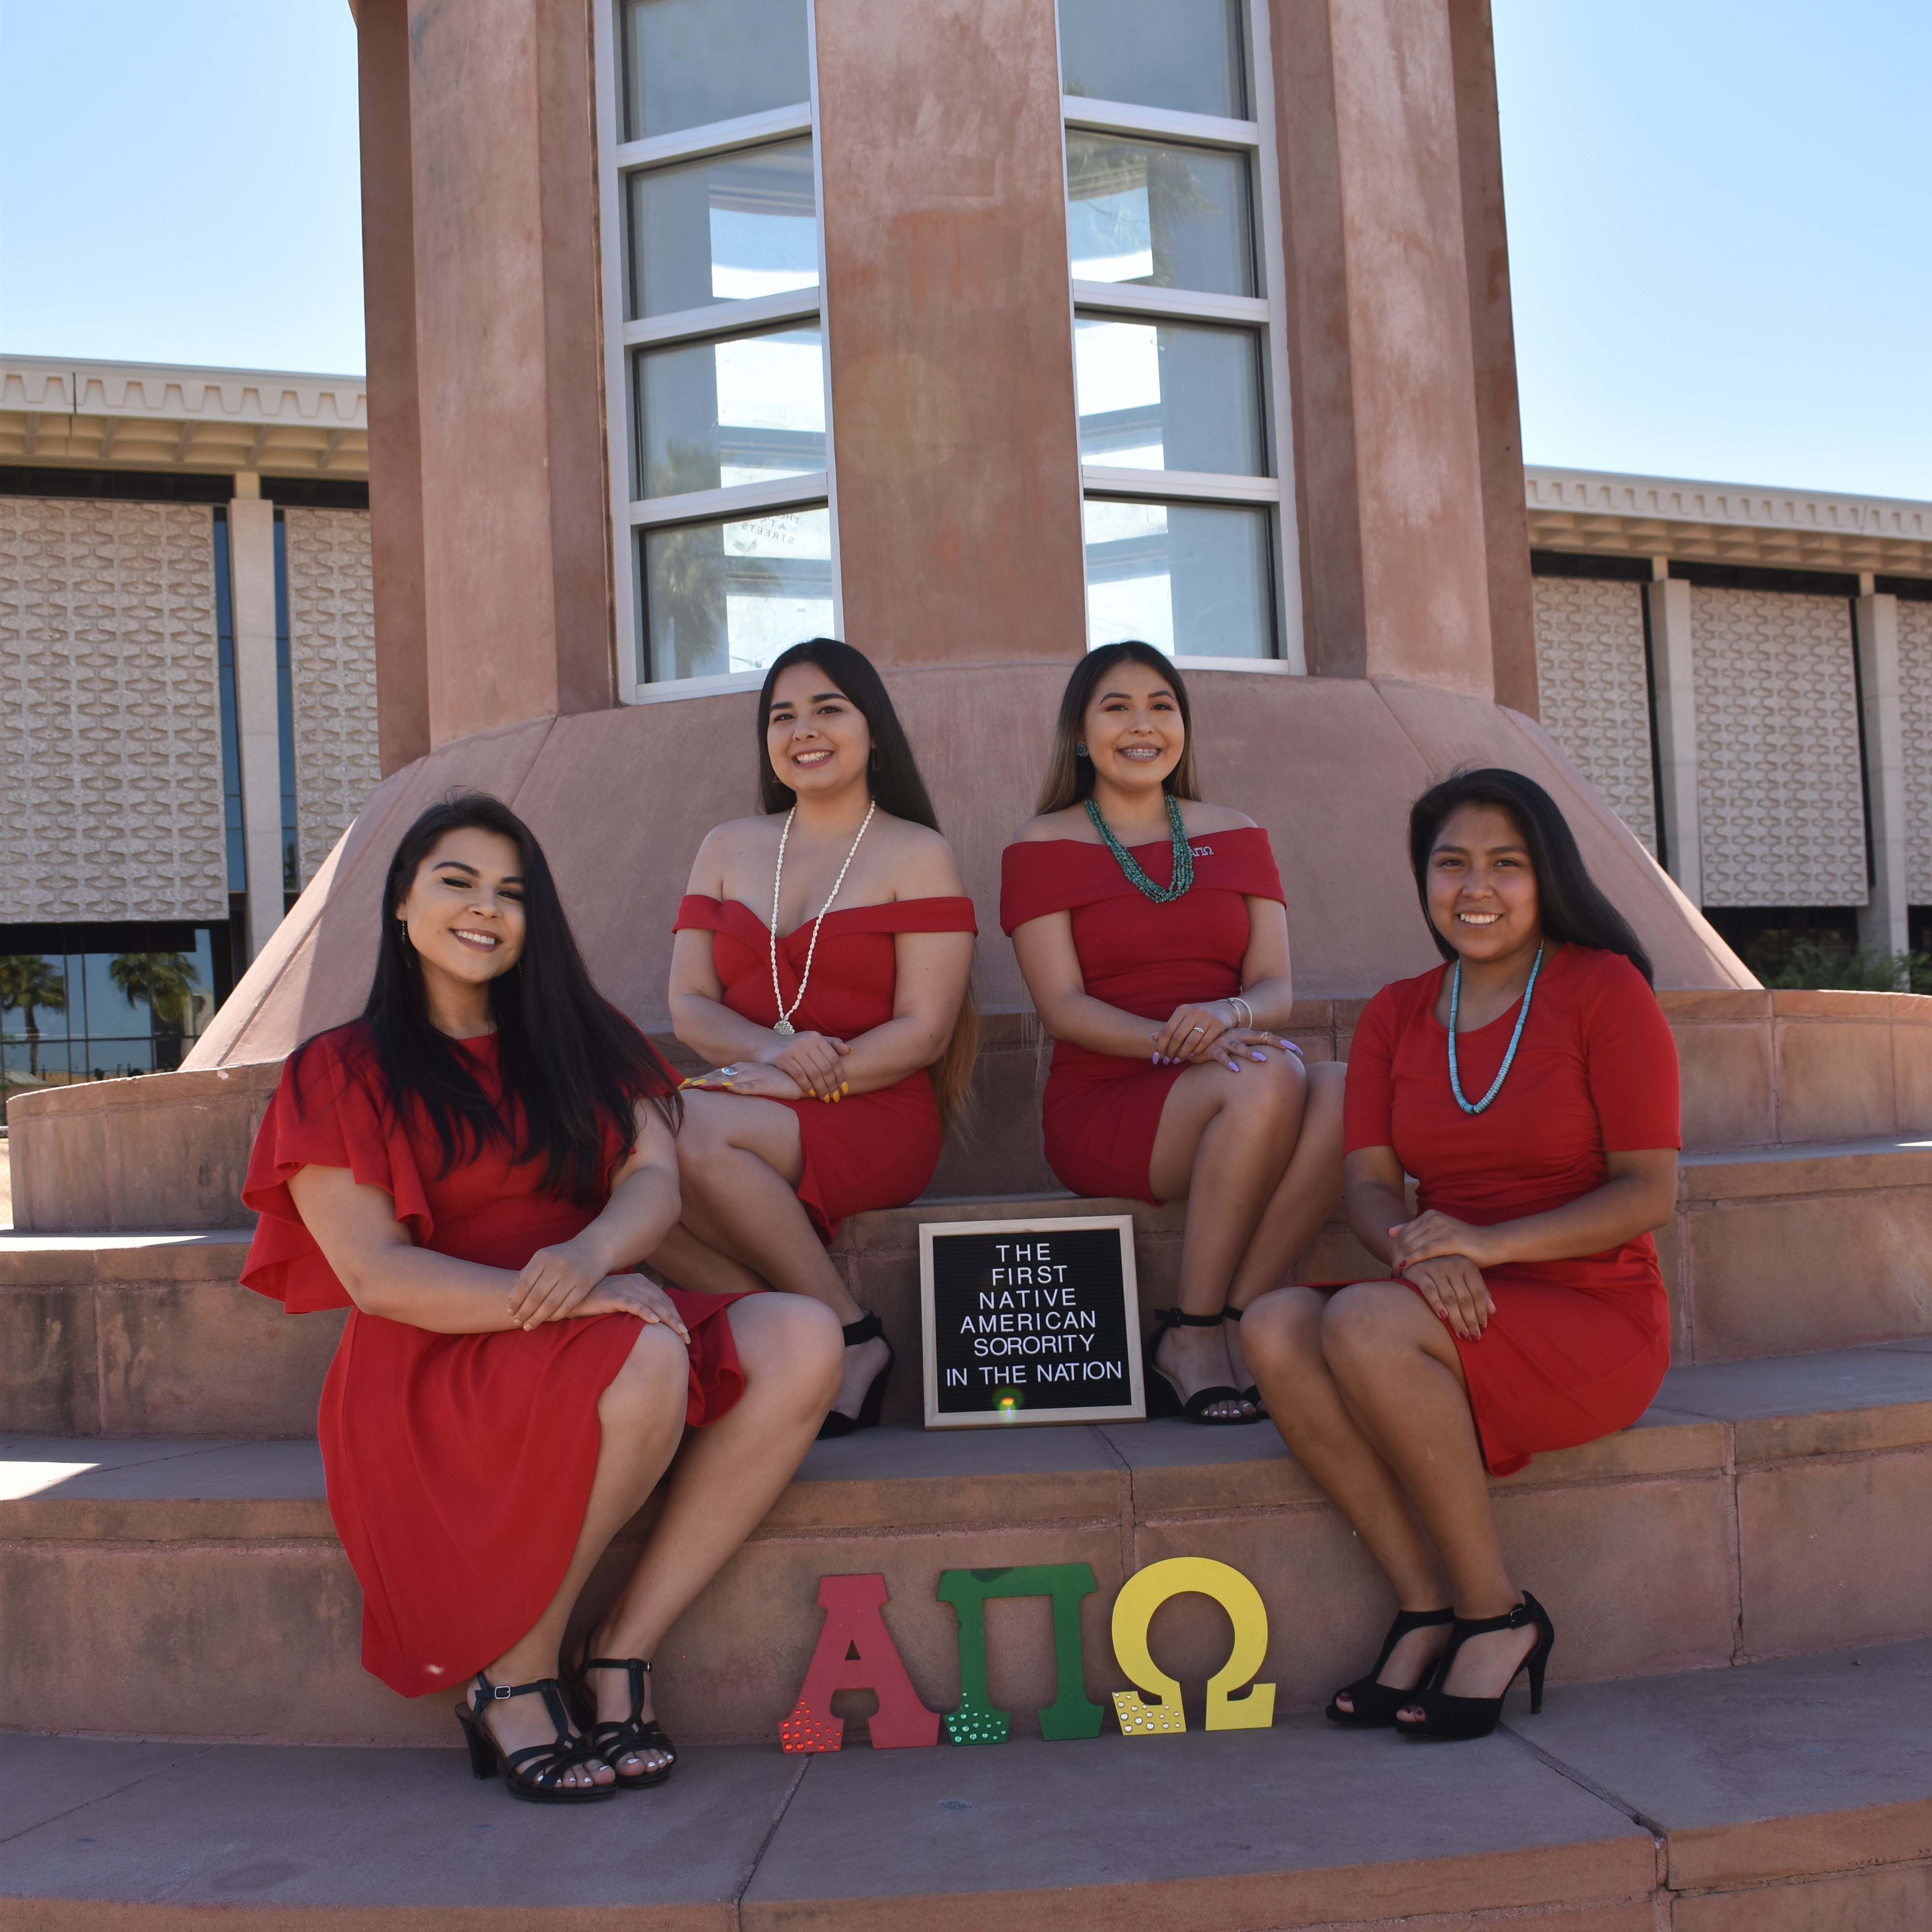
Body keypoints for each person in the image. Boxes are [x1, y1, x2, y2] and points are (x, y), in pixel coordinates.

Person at [240, 795, 842, 1804]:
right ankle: (512, 1674)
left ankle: (618, 1651)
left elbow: (653, 1172)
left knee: (804, 1335)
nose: (487, 908)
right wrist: (574, 1299)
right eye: (458, 882)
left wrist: (595, 1255)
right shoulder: (338, 1070)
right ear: (399, 903)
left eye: (512, 893)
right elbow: (378, 1276)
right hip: (435, 1349)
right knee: (647, 1351)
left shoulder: (579, 1036)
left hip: (585, 1293)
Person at [1241, 768, 1682, 1741]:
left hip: (1588, 1305)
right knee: (1272, 1324)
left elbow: (1648, 1189)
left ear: (1544, 876)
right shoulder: (1397, 1011)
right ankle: (1422, 1604)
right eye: (1450, 863)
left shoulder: (1601, 990)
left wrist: (1485, 1244)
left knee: (1357, 1316)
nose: (1473, 887)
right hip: (1442, 1283)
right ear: (1422, 879)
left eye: (1504, 863)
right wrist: (1416, 1248)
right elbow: (1364, 1183)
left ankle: (1496, 1614)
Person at [1000, 641, 1345, 1423]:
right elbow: (1063, 1008)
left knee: (1351, 1093)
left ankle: (1239, 1314)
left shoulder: (1238, 831)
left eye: (1161, 705)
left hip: (1234, 1067)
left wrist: (1225, 1018)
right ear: (1080, 736)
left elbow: (1275, 989)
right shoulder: (1039, 844)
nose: (1142, 724)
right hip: (1109, 1100)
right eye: (1116, 707)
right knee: (1266, 1076)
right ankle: (1188, 1335)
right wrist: (1182, 1039)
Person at [656, 639, 978, 1434]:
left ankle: (847, 1335)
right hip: (755, 1093)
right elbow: (690, 1004)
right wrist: (771, 1055)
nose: (805, 729)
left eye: (829, 708)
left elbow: (926, 1031)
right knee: (617, 1156)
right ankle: (808, 1324)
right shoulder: (727, 847)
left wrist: (801, 1079)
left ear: (873, 729)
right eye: (783, 716)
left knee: (684, 1134)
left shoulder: (917, 851)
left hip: (876, 1108)